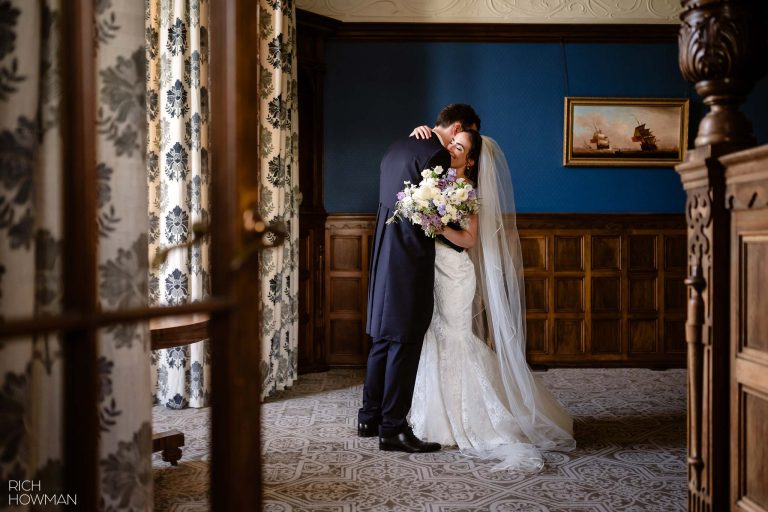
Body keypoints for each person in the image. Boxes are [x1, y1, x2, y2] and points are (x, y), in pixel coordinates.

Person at [408, 126, 576, 471]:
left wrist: (436, 224)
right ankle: (434, 415)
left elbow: (469, 239)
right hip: (434, 269)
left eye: (460, 147)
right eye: (452, 143)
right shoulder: (437, 181)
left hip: (454, 273)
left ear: (470, 161)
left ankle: (464, 419)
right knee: (435, 335)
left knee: (453, 337)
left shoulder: (468, 189)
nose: (452, 148)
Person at [359, 104, 481, 453]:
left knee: (383, 337)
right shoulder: (437, 155)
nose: (459, 142)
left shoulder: (398, 146)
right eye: (462, 135)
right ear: (457, 127)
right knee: (405, 340)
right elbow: (431, 212)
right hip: (410, 257)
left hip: (384, 250)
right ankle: (393, 428)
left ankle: (368, 417)